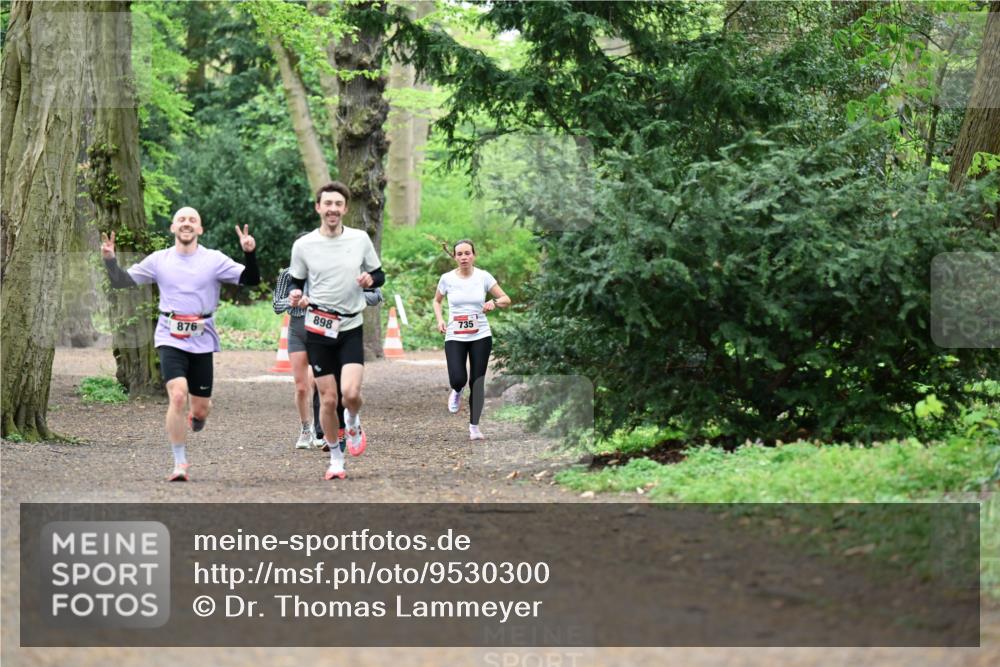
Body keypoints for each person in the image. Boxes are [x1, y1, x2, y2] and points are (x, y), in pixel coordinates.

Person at [101, 207, 259, 481]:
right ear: (173, 228)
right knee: (177, 395)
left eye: (192, 220)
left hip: (202, 336)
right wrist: (110, 261)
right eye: (181, 220)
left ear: (200, 229)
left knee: (200, 408)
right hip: (170, 335)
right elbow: (121, 282)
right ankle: (179, 463)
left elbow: (251, 280)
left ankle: (198, 416)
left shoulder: (214, 260)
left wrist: (249, 253)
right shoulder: (159, 260)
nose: (187, 223)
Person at [288, 182, 385, 480]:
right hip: (318, 327)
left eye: (338, 204)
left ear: (345, 208)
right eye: (327, 203)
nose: (332, 209)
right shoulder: (304, 245)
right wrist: (295, 294)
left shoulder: (359, 239)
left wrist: (371, 280)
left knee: (351, 394)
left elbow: (379, 274)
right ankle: (336, 459)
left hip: (350, 325)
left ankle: (352, 421)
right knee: (328, 399)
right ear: (318, 207)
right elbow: (296, 281)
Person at [433, 239, 511, 440]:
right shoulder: (447, 278)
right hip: (455, 335)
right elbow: (437, 301)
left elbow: (506, 299)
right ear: (454, 257)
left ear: (474, 255)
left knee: (477, 381)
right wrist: (440, 319)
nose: (464, 257)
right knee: (458, 378)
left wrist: (494, 302)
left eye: (467, 253)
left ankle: (474, 427)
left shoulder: (483, 276)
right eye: (459, 254)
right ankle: (457, 390)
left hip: (480, 335)